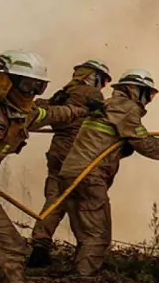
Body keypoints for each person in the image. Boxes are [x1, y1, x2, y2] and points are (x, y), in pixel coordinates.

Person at [56, 68, 159, 283]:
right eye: (147, 94)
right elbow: (147, 146)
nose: (147, 101)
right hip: (89, 177)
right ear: (134, 89)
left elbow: (112, 142)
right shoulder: (125, 108)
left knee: (87, 236)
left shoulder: (109, 106)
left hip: (73, 174)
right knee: (98, 237)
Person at [0, 50, 97, 283]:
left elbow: (53, 114)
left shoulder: (22, 113)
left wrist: (83, 111)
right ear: (6, 79)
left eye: (38, 87)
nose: (31, 92)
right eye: (27, 85)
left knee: (11, 246)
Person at [26, 59, 111, 268]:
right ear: (94, 77)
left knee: (54, 199)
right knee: (86, 202)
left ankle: (40, 246)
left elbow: (46, 109)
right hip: (76, 152)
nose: (103, 86)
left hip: (57, 150)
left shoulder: (64, 93)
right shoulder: (91, 94)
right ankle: (89, 255)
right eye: (103, 81)